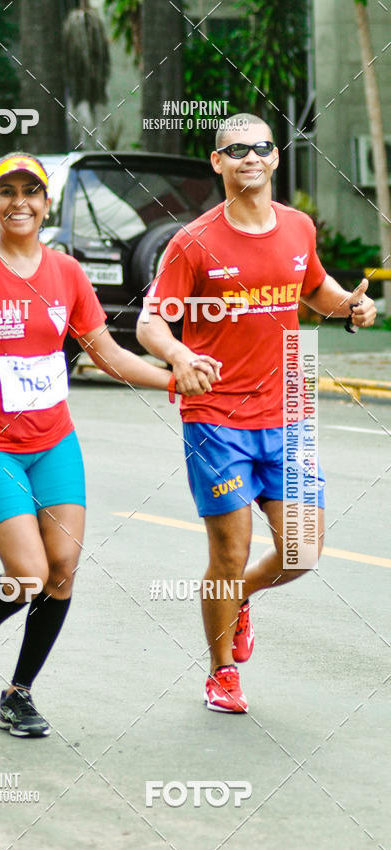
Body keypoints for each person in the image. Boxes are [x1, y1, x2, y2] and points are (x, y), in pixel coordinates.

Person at [0, 152, 213, 737]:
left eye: (30, 191)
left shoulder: (66, 273)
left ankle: (19, 693)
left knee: (63, 569)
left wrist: (175, 380)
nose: (19, 202)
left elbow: (107, 354)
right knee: (30, 572)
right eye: (6, 192)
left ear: (46, 202)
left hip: (55, 441)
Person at [136, 114, 377, 714]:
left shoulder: (297, 228)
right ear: (217, 163)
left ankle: (236, 598)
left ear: (274, 159)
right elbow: (150, 321)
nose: (250, 156)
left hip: (287, 412)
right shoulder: (193, 242)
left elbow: (313, 287)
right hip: (215, 417)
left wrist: (349, 307)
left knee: (302, 552)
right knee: (230, 548)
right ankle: (222, 671)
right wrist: (178, 352)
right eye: (235, 148)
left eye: (261, 147)